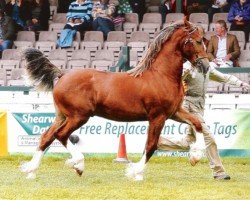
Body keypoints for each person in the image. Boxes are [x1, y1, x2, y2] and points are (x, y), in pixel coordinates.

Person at [157, 27, 250, 180]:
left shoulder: (208, 69)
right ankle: (219, 172)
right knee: (209, 137)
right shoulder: (187, 67)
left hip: (200, 107)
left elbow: (224, 78)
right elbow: (174, 80)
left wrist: (242, 84)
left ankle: (157, 142)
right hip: (188, 106)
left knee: (189, 141)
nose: (204, 55)